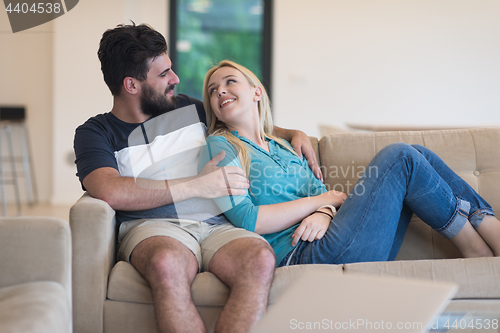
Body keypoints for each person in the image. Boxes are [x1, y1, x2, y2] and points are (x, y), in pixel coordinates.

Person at [73, 23, 320, 333]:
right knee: (167, 263)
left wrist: (290, 133)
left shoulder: (190, 107)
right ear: (131, 85)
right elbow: (109, 190)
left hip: (220, 225)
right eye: (163, 74)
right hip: (153, 228)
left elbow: (240, 120)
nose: (175, 79)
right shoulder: (96, 132)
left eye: (171, 69)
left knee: (259, 259)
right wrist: (196, 186)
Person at [199, 60, 500, 268]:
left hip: (336, 237)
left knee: (418, 152)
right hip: (304, 253)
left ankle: (485, 225)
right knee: (400, 156)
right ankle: (477, 245)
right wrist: (324, 200)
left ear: (256, 92)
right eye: (213, 91)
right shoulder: (221, 146)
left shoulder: (285, 145)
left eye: (229, 82)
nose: (220, 91)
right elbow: (249, 219)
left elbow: (321, 192)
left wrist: (325, 212)